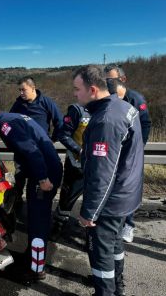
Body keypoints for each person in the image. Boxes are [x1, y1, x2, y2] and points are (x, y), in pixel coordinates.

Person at [74, 65, 144, 296]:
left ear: (92, 89)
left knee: (100, 254)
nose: (75, 94)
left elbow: (103, 173)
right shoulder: (123, 107)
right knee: (114, 245)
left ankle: (106, 292)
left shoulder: (105, 121)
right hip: (126, 195)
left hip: (110, 202)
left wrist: (90, 212)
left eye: (77, 89)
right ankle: (118, 288)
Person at [0, 103, 63, 282]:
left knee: (38, 221)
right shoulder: (14, 117)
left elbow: (31, 150)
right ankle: (32, 255)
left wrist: (42, 178)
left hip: (44, 173)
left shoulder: (5, 125)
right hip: (48, 168)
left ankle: (36, 270)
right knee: (39, 217)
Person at [105, 64, 151, 243]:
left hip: (131, 154)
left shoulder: (135, 98)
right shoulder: (107, 98)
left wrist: (138, 147)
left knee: (129, 188)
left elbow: (146, 124)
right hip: (113, 154)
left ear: (122, 79)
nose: (106, 83)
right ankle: (111, 223)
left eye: (110, 79)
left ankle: (129, 225)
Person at [9, 76, 64, 203]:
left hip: (40, 150)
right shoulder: (18, 104)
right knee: (19, 178)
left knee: (37, 178)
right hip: (22, 150)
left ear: (33, 88)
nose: (21, 93)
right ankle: (17, 204)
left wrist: (52, 140)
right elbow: (10, 122)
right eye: (19, 90)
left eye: (24, 90)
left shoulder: (46, 102)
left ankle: (35, 205)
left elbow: (59, 122)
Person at [51, 103, 90, 239]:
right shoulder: (77, 110)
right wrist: (80, 152)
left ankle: (89, 234)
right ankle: (58, 224)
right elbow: (64, 135)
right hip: (76, 163)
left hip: (99, 166)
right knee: (67, 197)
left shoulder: (108, 108)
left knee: (92, 200)